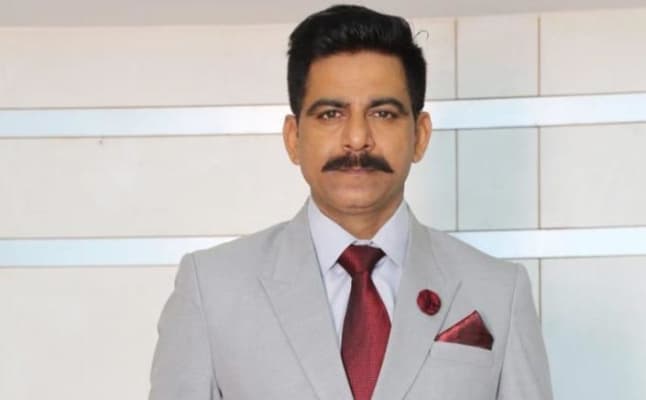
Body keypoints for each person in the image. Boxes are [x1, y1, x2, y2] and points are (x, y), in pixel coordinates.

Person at [149, 5, 553, 400]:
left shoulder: (500, 292)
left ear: (420, 135)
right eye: (330, 114)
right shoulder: (212, 288)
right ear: (293, 137)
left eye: (383, 113)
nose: (357, 139)